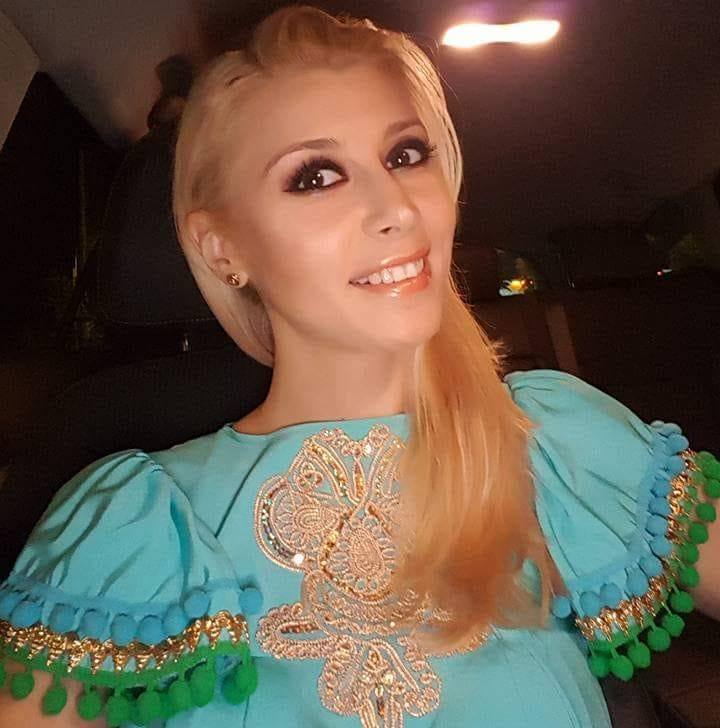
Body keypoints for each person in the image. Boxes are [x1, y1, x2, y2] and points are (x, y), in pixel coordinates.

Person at [1, 5, 719, 727]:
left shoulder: (557, 447)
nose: (397, 207)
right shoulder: (140, 528)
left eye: (405, 155)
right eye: (316, 176)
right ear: (223, 248)